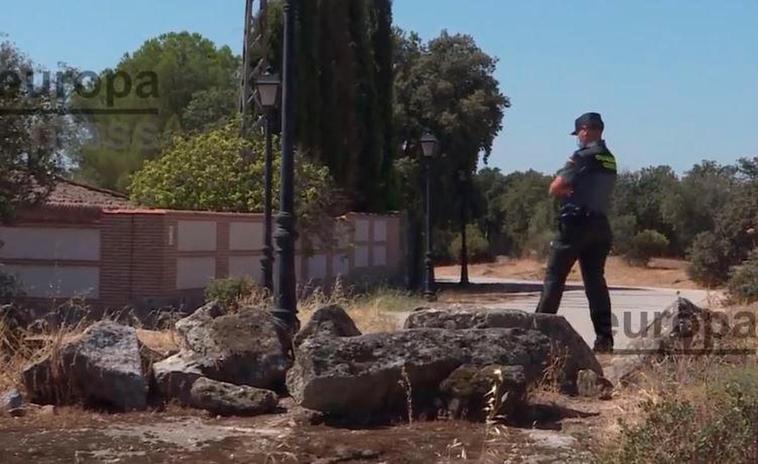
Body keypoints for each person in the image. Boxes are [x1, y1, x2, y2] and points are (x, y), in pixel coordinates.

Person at [536, 112, 617, 353]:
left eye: (579, 133)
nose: (578, 138)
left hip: (575, 225)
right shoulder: (610, 158)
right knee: (595, 284)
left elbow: (556, 187)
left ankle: (538, 333)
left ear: (585, 129)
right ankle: (604, 339)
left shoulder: (581, 157)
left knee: (554, 278)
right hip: (600, 226)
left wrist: (567, 190)